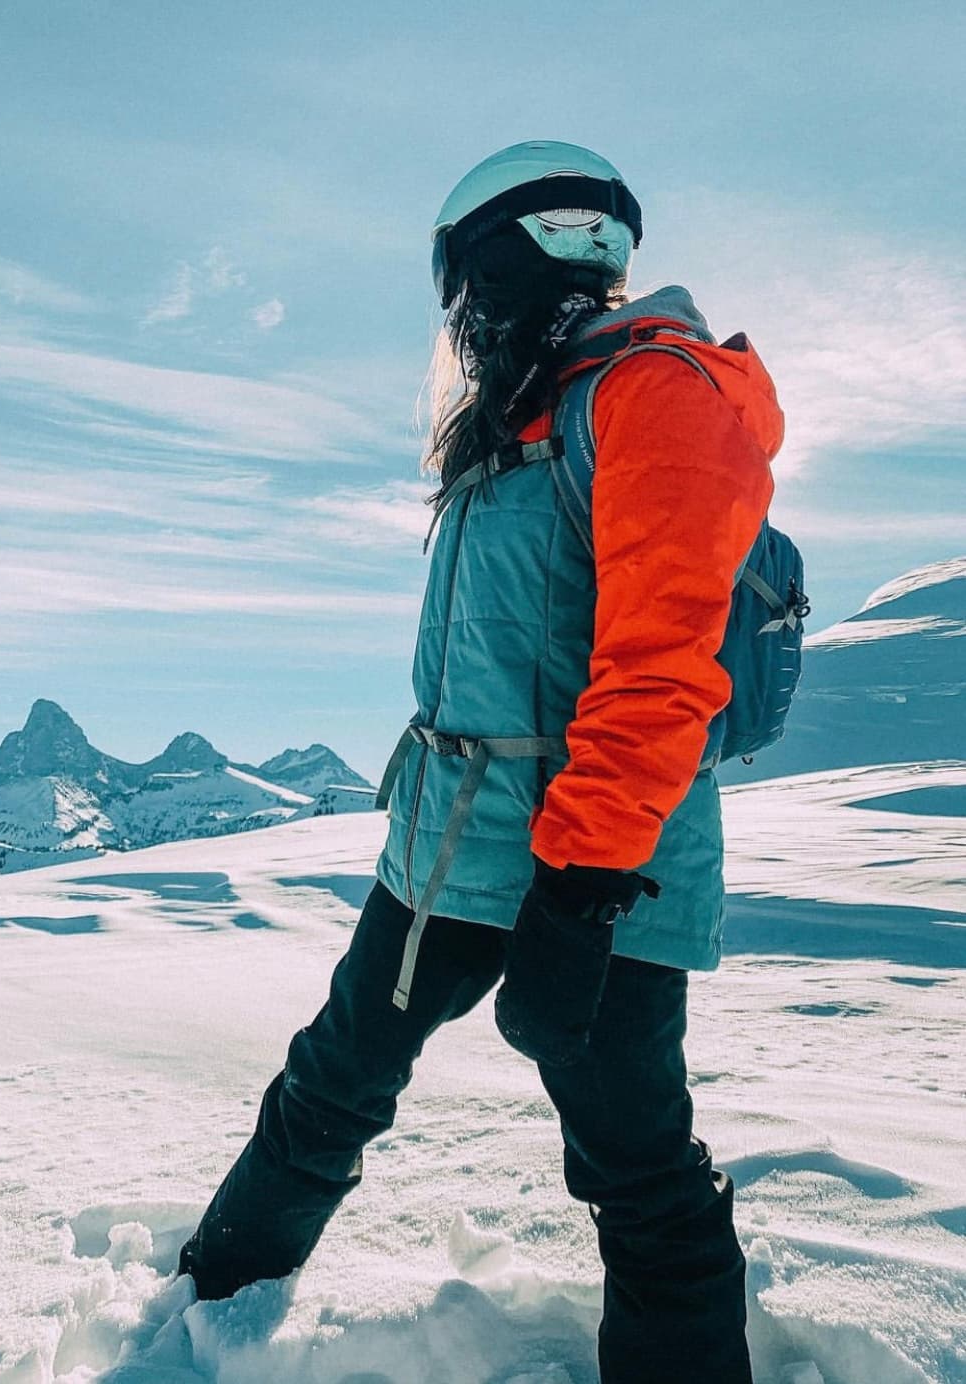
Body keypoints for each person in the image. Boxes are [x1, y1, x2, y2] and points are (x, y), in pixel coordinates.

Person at [177, 140, 783, 1384]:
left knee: (630, 1150)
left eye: (467, 294)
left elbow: (663, 667)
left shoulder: (653, 395)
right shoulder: (524, 417)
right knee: (335, 1078)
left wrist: (580, 879)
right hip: (448, 847)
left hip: (609, 867)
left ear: (511, 260)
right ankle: (196, 1314)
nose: (462, 327)